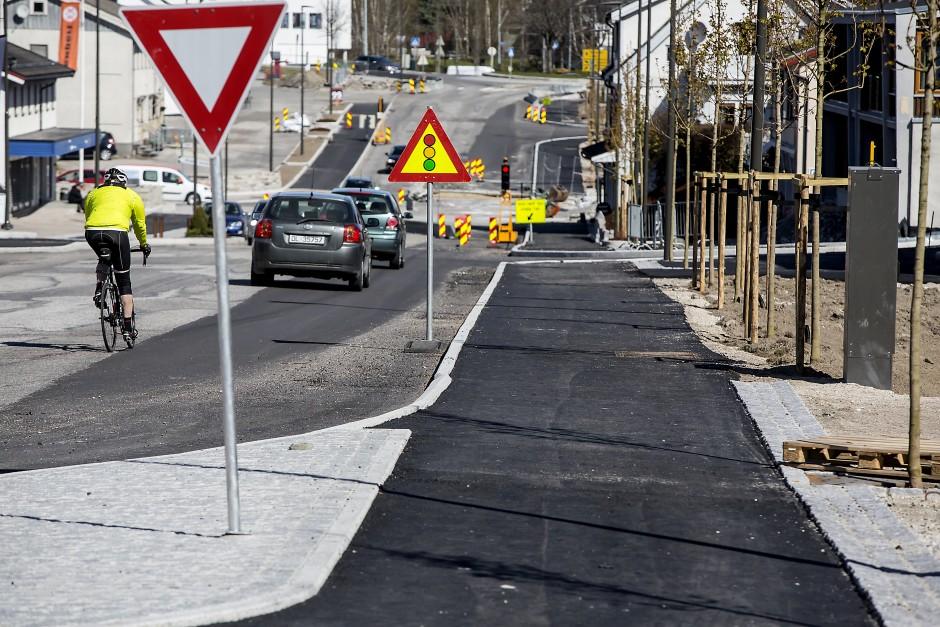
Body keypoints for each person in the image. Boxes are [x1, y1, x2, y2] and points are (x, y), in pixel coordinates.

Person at [84, 168, 150, 340]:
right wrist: (143, 244)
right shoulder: (132, 195)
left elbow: (88, 214)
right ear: (124, 183)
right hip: (117, 234)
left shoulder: (93, 193)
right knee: (123, 282)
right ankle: (127, 329)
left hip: (92, 232)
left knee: (104, 257)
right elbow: (139, 224)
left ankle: (100, 288)